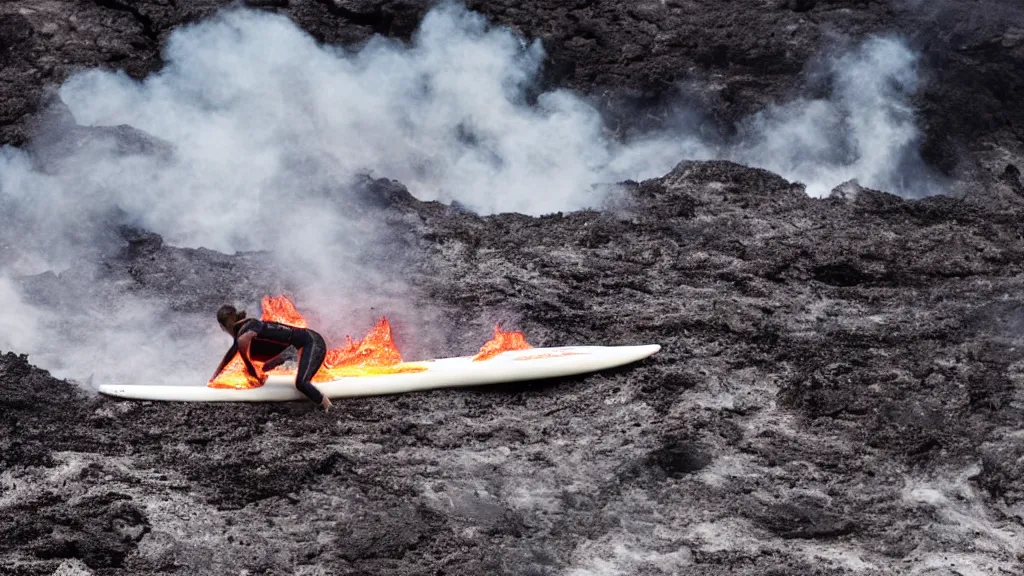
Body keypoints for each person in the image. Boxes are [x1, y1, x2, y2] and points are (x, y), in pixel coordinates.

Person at [210, 304, 333, 412]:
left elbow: (249, 336)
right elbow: (228, 358)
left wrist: (253, 374)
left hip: (311, 342)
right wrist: (212, 379)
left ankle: (328, 406)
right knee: (265, 367)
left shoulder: (250, 324)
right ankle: (289, 356)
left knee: (301, 384)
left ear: (222, 326)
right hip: (298, 346)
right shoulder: (240, 337)